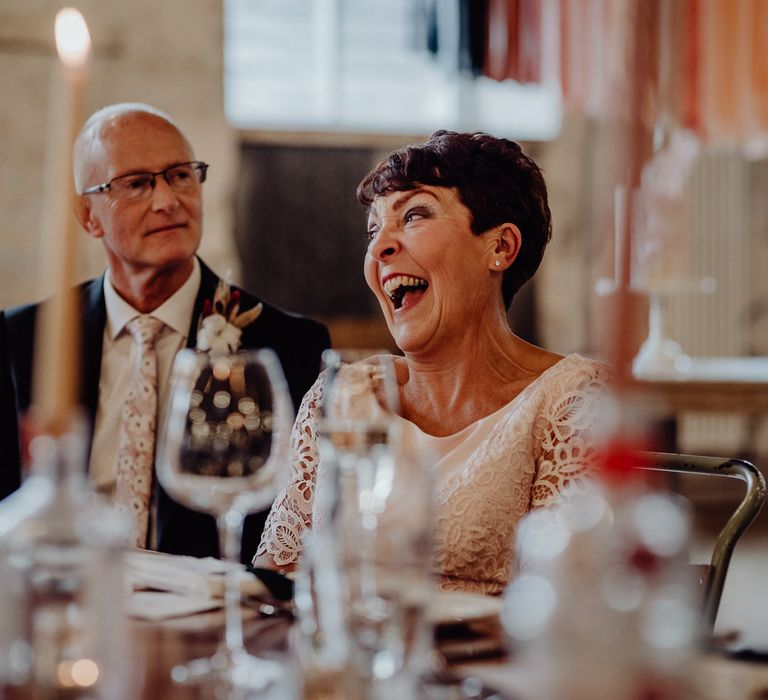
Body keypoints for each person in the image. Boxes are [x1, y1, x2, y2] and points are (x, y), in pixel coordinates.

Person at [254, 130, 608, 593]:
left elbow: (563, 606)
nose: (380, 247)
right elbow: (277, 577)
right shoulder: (340, 394)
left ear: (500, 248)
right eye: (374, 230)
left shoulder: (571, 400)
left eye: (415, 215)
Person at [0, 103, 330, 563]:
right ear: (88, 216)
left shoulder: (286, 347)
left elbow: (290, 531)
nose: (167, 201)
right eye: (137, 183)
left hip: (210, 614)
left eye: (180, 175)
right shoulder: (20, 340)